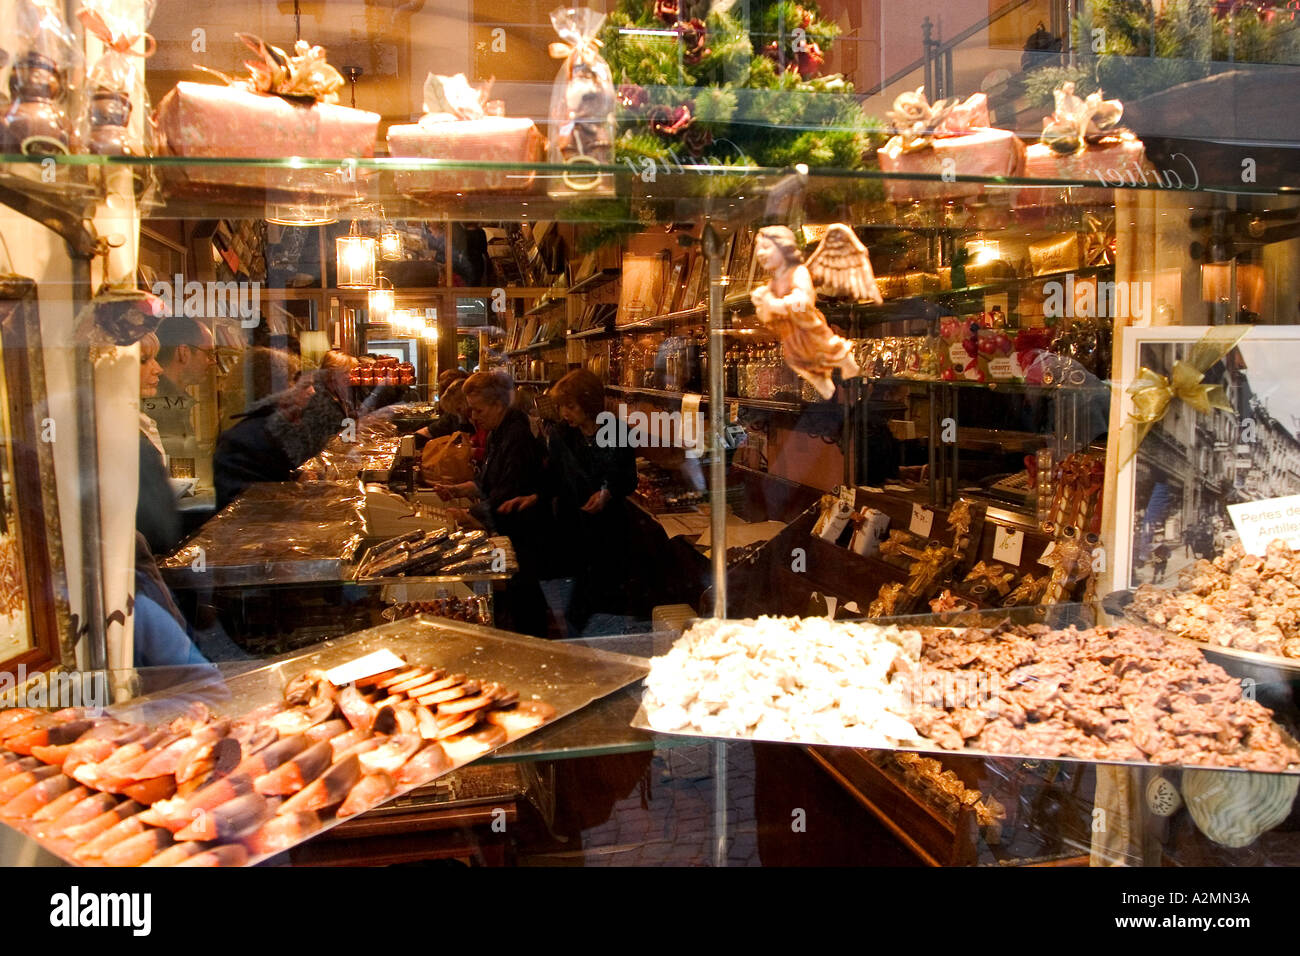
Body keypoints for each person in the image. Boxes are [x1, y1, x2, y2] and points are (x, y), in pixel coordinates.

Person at [433, 370, 550, 637]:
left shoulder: (517, 435)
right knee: (515, 600)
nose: (473, 417)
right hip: (510, 532)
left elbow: (509, 489)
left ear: (498, 405)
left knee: (527, 605)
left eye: (478, 410)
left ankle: (533, 658)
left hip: (526, 533)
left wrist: (468, 514)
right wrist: (456, 490)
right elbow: (488, 481)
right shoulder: (499, 429)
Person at [545, 369, 640, 633]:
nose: (565, 412)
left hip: (609, 528)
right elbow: (552, 477)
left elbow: (629, 478)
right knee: (576, 601)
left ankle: (610, 650)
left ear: (589, 404)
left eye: (571, 406)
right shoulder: (561, 435)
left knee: (609, 596)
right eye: (562, 406)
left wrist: (607, 492)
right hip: (572, 525)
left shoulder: (617, 430)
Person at [213, 349, 359, 508]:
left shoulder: (272, 428)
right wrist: (296, 489)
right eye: (301, 384)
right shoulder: (243, 440)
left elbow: (269, 476)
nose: (312, 392)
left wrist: (297, 477)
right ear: (276, 387)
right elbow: (246, 506)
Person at [136, 332, 182, 556]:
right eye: (144, 360)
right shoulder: (126, 435)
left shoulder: (140, 423)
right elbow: (157, 528)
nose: (158, 368)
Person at [149, 315, 218, 459]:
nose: (213, 361)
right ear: (184, 352)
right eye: (209, 353)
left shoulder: (175, 401)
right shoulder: (160, 404)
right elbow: (178, 466)